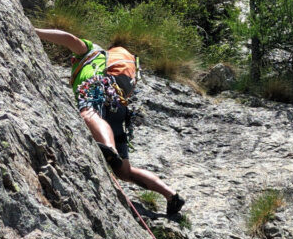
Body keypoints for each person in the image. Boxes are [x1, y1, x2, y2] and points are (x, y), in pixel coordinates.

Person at [35, 28, 185, 216]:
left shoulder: (92, 52)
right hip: (117, 104)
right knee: (124, 172)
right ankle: (171, 196)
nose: (72, 61)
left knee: (88, 113)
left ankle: (110, 149)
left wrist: (34, 31)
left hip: (97, 87)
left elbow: (69, 39)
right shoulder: (120, 71)